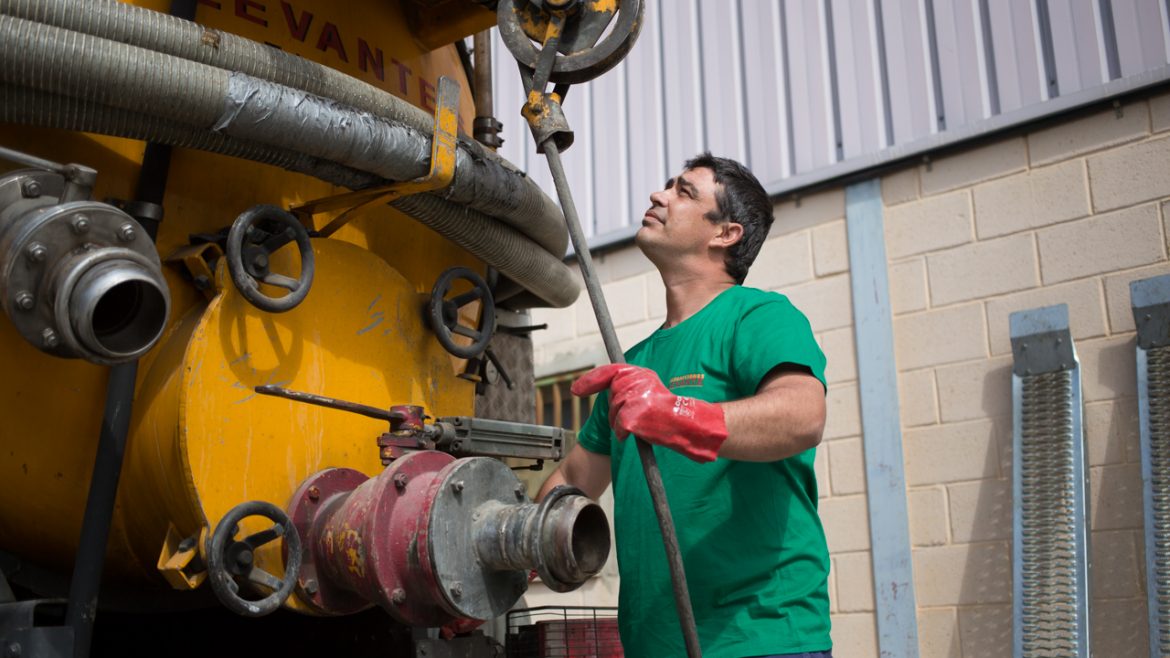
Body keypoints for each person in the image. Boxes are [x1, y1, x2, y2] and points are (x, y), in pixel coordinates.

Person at [537, 153, 831, 658]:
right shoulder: (634, 364)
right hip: (654, 644)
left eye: (684, 192)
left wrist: (675, 414)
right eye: (667, 187)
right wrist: (500, 558)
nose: (659, 195)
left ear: (725, 234)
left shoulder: (757, 315)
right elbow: (572, 481)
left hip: (760, 639)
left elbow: (802, 416)